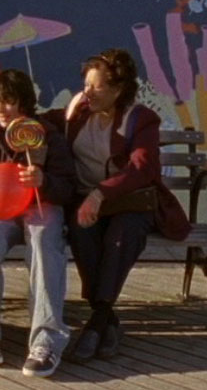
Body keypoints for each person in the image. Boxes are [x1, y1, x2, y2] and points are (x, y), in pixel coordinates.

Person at [43, 48, 191, 363]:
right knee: (82, 232)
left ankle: (97, 322)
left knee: (121, 237)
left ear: (118, 88)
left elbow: (142, 168)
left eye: (97, 86)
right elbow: (33, 123)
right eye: (86, 84)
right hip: (87, 203)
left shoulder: (140, 119)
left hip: (129, 203)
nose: (88, 92)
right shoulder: (76, 112)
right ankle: (105, 321)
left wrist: (100, 193)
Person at [0, 69, 76, 377]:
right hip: (5, 208)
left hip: (41, 204)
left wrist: (43, 180)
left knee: (43, 240)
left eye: (9, 101)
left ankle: (47, 340)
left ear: (24, 102)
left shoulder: (47, 134)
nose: (1, 108)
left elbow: (67, 187)